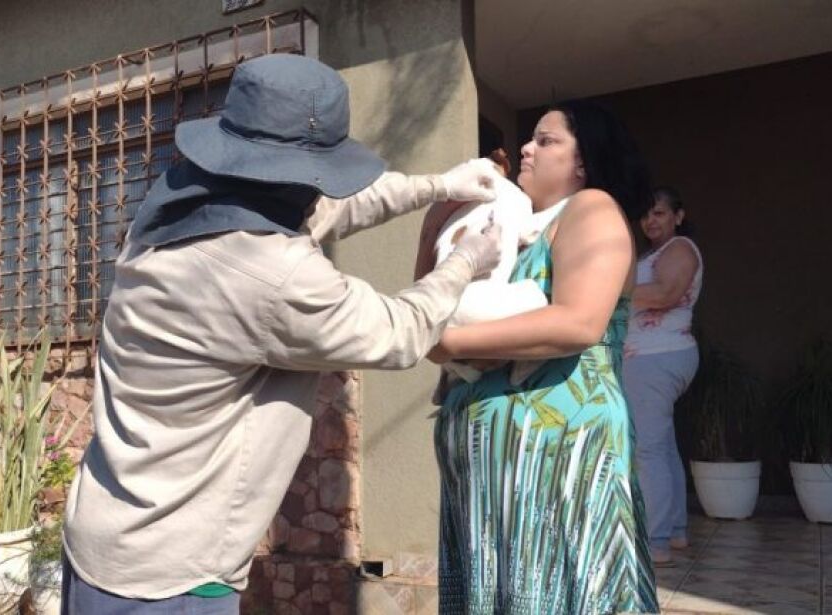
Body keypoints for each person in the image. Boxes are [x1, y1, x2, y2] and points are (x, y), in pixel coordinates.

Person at [60, 53, 504, 614]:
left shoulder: (181, 204)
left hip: (104, 539)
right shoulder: (271, 275)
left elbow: (328, 211)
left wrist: (439, 185)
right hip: (172, 576)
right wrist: (466, 260)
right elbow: (398, 332)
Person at [419, 100, 659, 614]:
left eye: (546, 141)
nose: (526, 147)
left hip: (558, 464)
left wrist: (449, 345)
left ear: (584, 162)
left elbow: (578, 322)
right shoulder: (514, 226)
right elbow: (428, 308)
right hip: (496, 481)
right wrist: (434, 224)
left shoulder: (591, 208)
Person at [623, 186, 703, 566]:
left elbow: (666, 293)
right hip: (652, 357)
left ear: (678, 216)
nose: (650, 221)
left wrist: (610, 289)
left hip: (657, 357)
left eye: (659, 213)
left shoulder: (681, 248)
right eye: (645, 215)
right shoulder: (653, 253)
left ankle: (654, 541)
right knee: (663, 444)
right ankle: (674, 533)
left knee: (647, 449)